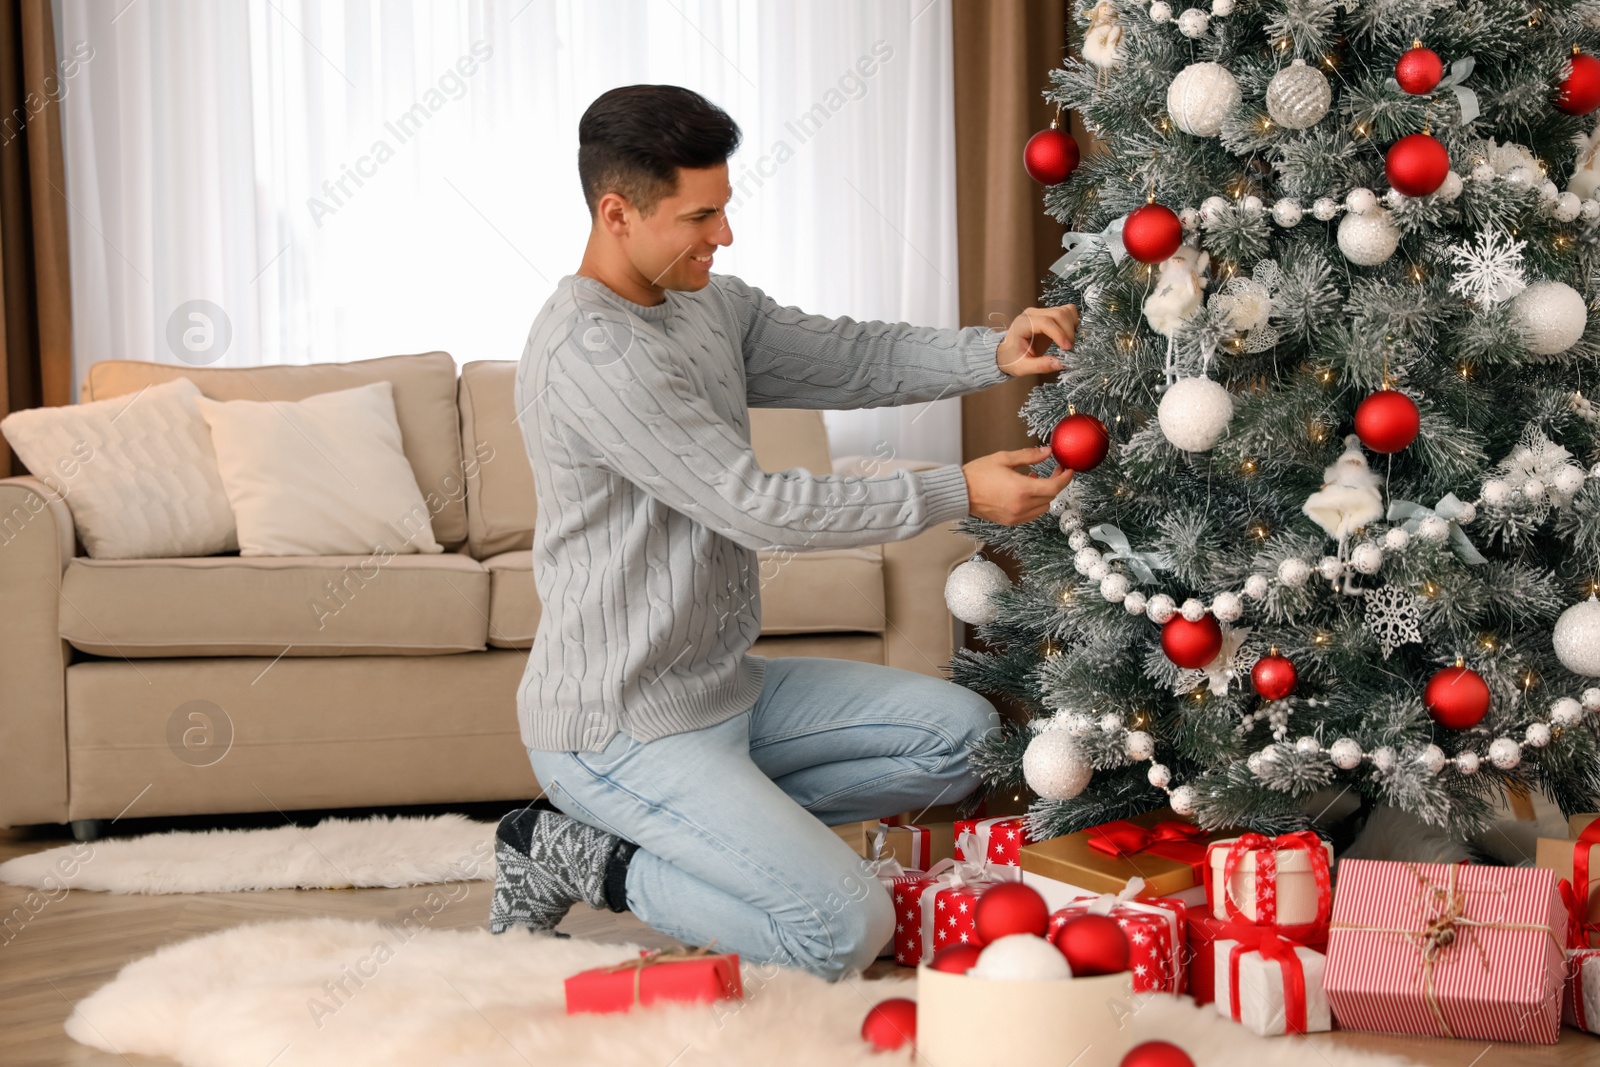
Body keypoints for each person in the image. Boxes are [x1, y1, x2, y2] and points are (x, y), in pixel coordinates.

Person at [491, 84, 1077, 981]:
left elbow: (852, 355)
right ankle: (583, 856)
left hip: (725, 689)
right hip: (620, 726)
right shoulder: (592, 354)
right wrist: (954, 491)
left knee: (966, 739)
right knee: (841, 930)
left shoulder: (705, 306)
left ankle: (726, 833)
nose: (723, 236)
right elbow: (758, 504)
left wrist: (991, 351)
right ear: (617, 213)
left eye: (724, 208)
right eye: (702, 215)